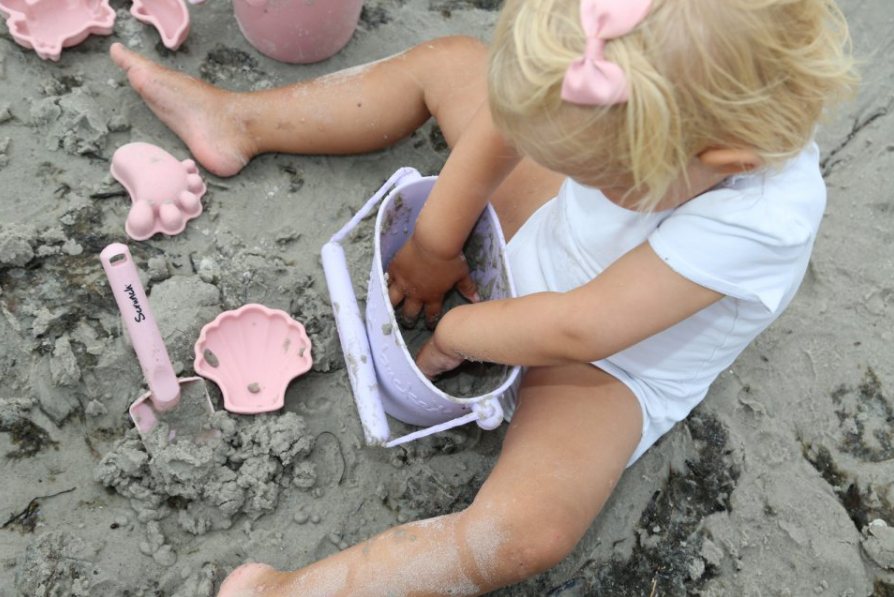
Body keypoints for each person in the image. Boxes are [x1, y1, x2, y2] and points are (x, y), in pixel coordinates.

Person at [109, 0, 857, 593]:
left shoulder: (764, 221)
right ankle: (240, 121)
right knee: (451, 63)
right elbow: (510, 120)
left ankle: (287, 591)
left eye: (599, 170)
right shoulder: (635, 88)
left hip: (614, 362)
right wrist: (437, 241)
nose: (578, 169)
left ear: (724, 161)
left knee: (528, 530)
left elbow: (580, 327)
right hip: (553, 236)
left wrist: (461, 330)